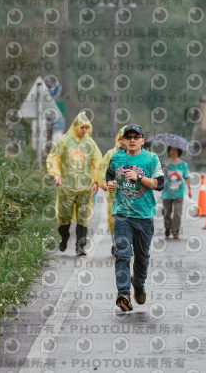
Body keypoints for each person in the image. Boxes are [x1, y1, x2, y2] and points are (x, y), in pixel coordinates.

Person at [106, 124, 164, 312]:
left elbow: (159, 184)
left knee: (142, 257)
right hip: (122, 215)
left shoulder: (151, 159)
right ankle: (123, 294)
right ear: (122, 140)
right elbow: (109, 174)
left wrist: (139, 177)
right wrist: (111, 183)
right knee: (122, 253)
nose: (131, 140)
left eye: (135, 137)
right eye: (128, 137)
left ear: (142, 140)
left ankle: (138, 283)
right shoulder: (116, 158)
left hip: (144, 216)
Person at [46, 111, 102, 256]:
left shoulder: (90, 144)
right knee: (64, 216)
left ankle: (80, 246)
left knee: (83, 215)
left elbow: (97, 162)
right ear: (75, 126)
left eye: (86, 127)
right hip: (66, 186)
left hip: (84, 187)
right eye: (81, 127)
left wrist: (96, 180)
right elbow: (54, 157)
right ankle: (64, 237)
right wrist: (56, 174)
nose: (83, 130)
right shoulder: (65, 140)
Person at [99, 126, 127, 256]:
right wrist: (103, 183)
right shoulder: (111, 154)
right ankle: (116, 243)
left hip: (130, 195)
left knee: (128, 220)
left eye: (126, 138)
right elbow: (102, 169)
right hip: (113, 194)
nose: (124, 141)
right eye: (122, 138)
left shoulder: (136, 154)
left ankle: (126, 244)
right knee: (113, 219)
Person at [162, 146, 192, 239]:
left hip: (179, 193)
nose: (173, 152)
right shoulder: (165, 163)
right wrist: (165, 168)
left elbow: (187, 177)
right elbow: (159, 176)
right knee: (167, 213)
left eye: (175, 150)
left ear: (179, 152)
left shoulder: (183, 164)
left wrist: (190, 190)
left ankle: (175, 232)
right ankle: (167, 228)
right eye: (171, 150)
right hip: (167, 193)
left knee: (177, 213)